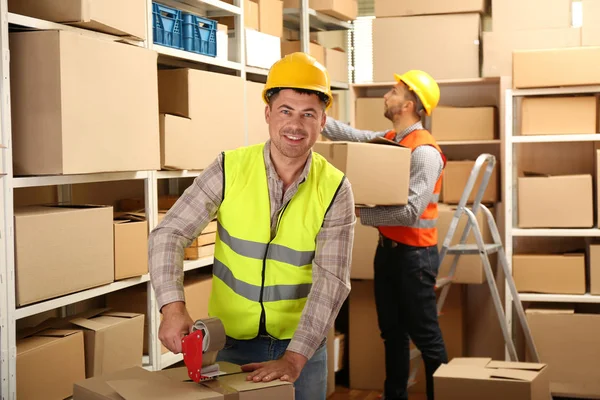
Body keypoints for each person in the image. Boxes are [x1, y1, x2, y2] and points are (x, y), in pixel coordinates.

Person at [148, 52, 356, 400]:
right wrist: (172, 307)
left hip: (302, 345)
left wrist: (294, 357)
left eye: (308, 114)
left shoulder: (335, 188)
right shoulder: (230, 168)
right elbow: (169, 233)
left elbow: (331, 281)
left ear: (323, 122)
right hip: (230, 345)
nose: (295, 124)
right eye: (286, 110)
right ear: (268, 114)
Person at [321, 70, 448, 400]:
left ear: (408, 103)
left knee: (427, 337)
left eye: (393, 91)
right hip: (389, 253)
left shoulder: (424, 152)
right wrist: (317, 116)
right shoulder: (396, 139)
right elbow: (357, 136)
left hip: (414, 259)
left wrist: (357, 212)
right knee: (391, 333)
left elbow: (409, 213)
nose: (386, 95)